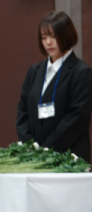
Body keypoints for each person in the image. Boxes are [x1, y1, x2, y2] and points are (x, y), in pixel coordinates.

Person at [17, 11, 92, 162]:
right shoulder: (34, 71)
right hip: (35, 158)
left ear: (67, 35)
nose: (48, 43)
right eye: (44, 38)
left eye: (53, 36)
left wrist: (47, 150)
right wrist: (31, 147)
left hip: (70, 157)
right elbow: (22, 112)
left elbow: (77, 118)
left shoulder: (81, 72)